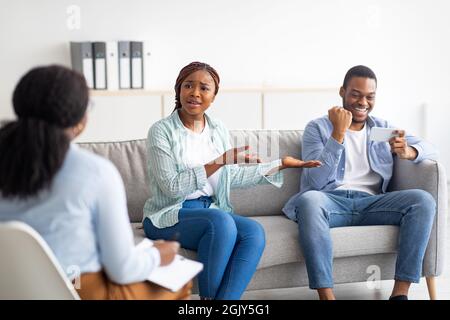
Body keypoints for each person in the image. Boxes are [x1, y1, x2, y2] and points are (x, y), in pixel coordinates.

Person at [0, 65, 191, 300]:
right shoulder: (95, 172)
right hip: (77, 288)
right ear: (79, 119)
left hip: (9, 288)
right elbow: (122, 269)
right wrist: (158, 255)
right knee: (180, 282)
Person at [143, 61, 321, 300]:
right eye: (188, 85)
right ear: (179, 89)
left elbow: (231, 176)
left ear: (213, 96)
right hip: (169, 214)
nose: (195, 93)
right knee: (221, 222)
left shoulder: (217, 129)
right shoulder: (161, 131)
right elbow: (171, 187)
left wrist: (279, 164)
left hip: (208, 210)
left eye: (204, 88)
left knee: (253, 232)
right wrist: (220, 160)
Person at [283, 65, 438, 300]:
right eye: (355, 94)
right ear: (342, 91)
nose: (362, 102)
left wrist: (410, 151)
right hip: (331, 202)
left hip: (372, 204)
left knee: (423, 200)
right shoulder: (318, 128)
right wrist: (338, 134)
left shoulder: (382, 129)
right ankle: (327, 296)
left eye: (370, 96)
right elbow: (315, 181)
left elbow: (431, 148)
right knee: (309, 200)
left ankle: (400, 294)